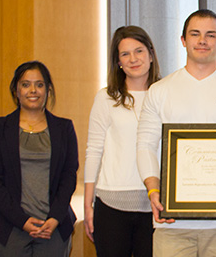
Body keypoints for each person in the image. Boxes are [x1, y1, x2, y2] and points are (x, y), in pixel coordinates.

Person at [136, 9, 216, 256]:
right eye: (195, 34)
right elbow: (145, 145)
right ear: (183, 40)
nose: (202, 40)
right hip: (171, 225)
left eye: (210, 35)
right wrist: (154, 191)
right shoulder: (160, 91)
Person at [0, 61, 78, 256]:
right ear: (16, 90)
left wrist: (55, 218)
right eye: (26, 84)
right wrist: (22, 221)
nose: (33, 90)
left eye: (39, 84)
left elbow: (69, 177)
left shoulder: (64, 128)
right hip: (10, 228)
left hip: (53, 228)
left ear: (48, 90)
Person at [83, 26, 161, 257]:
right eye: (125, 54)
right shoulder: (106, 97)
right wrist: (88, 205)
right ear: (118, 61)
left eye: (139, 51)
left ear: (150, 54)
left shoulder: (165, 95)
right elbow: (93, 150)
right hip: (111, 204)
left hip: (156, 205)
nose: (133, 59)